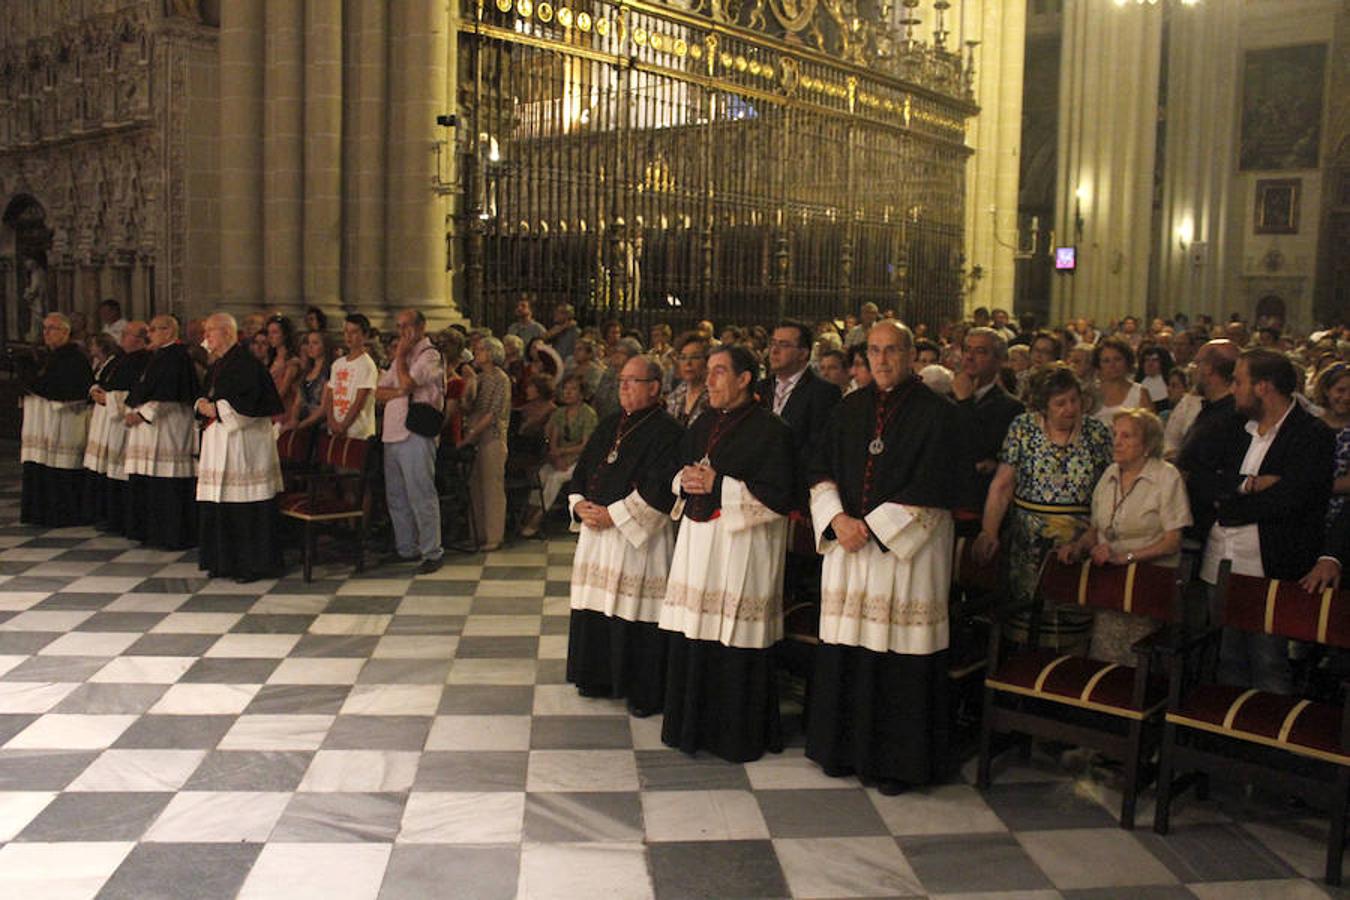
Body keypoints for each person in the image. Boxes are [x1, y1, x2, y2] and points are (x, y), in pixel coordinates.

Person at [806, 321, 962, 793]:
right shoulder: (848, 408)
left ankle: (897, 764)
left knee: (897, 658)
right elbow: (818, 467)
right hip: (850, 551)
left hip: (906, 557)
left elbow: (937, 484)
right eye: (873, 351)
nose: (882, 359)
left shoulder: (939, 415)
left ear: (911, 354)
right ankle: (841, 751)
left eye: (892, 350)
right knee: (850, 649)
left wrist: (869, 527)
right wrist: (836, 520)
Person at [658, 344, 797, 763]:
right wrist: (683, 480)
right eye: (709, 371)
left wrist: (719, 484)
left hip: (743, 550)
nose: (710, 379)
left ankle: (735, 735)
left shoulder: (773, 430)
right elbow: (677, 473)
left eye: (720, 372)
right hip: (699, 546)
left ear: (744, 379)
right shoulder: (701, 424)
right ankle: (690, 727)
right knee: (696, 635)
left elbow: (779, 496)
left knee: (734, 638)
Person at [1200, 349, 1334, 693]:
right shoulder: (1233, 425)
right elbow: (1200, 477)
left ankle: (1268, 742)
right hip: (1221, 563)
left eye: (1239, 381)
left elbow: (1293, 499)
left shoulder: (1310, 434)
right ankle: (1227, 736)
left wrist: (1229, 507)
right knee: (1226, 658)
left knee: (1268, 663)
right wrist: (1249, 485)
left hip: (1271, 565)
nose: (1234, 389)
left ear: (1263, 387)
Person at [566, 356, 684, 715]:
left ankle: (639, 688)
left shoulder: (669, 432)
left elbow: (661, 485)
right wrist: (579, 504)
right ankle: (597, 677)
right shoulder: (608, 425)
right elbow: (583, 468)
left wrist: (613, 515)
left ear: (654, 387)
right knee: (598, 605)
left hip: (635, 539)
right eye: (622, 381)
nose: (624, 387)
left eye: (633, 381)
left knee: (634, 611)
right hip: (597, 534)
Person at [974, 364, 1114, 613]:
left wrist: (1091, 536)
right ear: (1043, 406)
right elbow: (1003, 485)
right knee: (1024, 612)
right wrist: (989, 531)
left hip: (1078, 542)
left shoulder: (1097, 433)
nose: (1070, 408)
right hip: (1028, 542)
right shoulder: (1023, 428)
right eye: (1060, 403)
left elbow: (1109, 490)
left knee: (1069, 612)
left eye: (1074, 400)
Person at [1056, 410, 1192, 664]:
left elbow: (1172, 541)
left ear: (1148, 444)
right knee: (1104, 660)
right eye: (1115, 434)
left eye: (1126, 436)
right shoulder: (1109, 474)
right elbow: (1096, 530)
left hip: (1148, 588)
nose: (1117, 442)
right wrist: (1078, 547)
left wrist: (1125, 557)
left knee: (1137, 663)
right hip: (1110, 585)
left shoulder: (1166, 477)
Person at [195, 313, 285, 583]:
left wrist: (214, 408)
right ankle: (224, 562)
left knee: (244, 507)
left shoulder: (246, 364)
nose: (206, 337)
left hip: (243, 448)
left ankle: (251, 566)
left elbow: (247, 408)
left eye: (210, 331)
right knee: (222, 505)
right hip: (221, 444)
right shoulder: (219, 365)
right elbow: (209, 396)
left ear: (226, 332)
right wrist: (203, 405)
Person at [376, 309, 446, 572]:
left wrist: (401, 361)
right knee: (397, 495)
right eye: (399, 326)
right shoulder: (401, 358)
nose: (402, 331)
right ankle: (406, 547)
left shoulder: (430, 356)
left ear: (421, 326)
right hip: (392, 432)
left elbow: (407, 383)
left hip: (416, 432)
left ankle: (432, 551)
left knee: (421, 493)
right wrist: (399, 387)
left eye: (407, 326)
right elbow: (379, 392)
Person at [124, 315, 200, 549]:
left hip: (168, 430)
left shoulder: (177, 357)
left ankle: (172, 535)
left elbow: (170, 394)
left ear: (168, 332)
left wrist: (142, 414)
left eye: (154, 329)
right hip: (151, 430)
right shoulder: (157, 356)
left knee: (168, 485)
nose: (150, 334)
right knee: (151, 483)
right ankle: (152, 533)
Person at [19, 313, 94, 526]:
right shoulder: (46, 356)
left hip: (64, 420)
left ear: (65, 332)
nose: (46, 333)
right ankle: (38, 512)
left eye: (51, 328)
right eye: (44, 328)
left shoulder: (74, 358)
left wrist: (40, 388)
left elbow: (73, 389)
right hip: (42, 421)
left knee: (60, 467)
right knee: (40, 465)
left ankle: (63, 514)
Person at [952, 327, 1024, 524]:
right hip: (945, 503)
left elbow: (979, 450)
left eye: (980, 352)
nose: (969, 357)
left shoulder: (1011, 408)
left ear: (999, 360)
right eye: (967, 350)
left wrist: (965, 403)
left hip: (979, 508)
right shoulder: (946, 398)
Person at [82, 320, 150, 530]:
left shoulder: (144, 360)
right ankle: (106, 516)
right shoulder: (120, 359)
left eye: (127, 334)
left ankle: (119, 520)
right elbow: (103, 381)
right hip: (106, 422)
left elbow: (136, 394)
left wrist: (108, 399)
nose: (122, 337)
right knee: (107, 471)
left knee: (119, 472)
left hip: (122, 423)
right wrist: (96, 391)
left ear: (140, 339)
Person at [1173, 340, 1241, 538]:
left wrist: (1186, 474)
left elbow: (1225, 473)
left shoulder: (1231, 415)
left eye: (1197, 363)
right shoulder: (1211, 409)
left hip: (1210, 525)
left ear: (1209, 368)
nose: (1193, 370)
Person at [757, 320, 841, 476]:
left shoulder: (824, 393)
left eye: (784, 345)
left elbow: (818, 448)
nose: (774, 351)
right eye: (773, 343)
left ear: (803, 353)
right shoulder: (759, 389)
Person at [528, 375, 599, 536]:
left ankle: (537, 518)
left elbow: (586, 445)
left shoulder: (588, 414)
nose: (568, 393)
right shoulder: (559, 413)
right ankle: (530, 512)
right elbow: (553, 440)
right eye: (565, 389)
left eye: (573, 389)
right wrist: (556, 456)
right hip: (559, 457)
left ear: (581, 393)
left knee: (556, 478)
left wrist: (564, 454)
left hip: (580, 459)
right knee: (542, 474)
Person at [460, 335, 510, 550]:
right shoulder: (479, 377)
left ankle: (493, 536)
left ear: (491, 353)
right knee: (476, 486)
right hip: (475, 434)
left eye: (480, 349)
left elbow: (493, 412)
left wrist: (471, 434)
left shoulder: (501, 378)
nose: (476, 352)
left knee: (492, 486)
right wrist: (469, 383)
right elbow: (468, 405)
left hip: (491, 436)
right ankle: (477, 533)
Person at [326, 315, 378, 440]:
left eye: (354, 332)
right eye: (346, 332)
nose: (348, 336)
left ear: (364, 335)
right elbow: (329, 395)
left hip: (357, 431)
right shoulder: (338, 364)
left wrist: (343, 426)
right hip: (335, 427)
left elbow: (360, 400)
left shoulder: (367, 364)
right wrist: (332, 422)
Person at [1315, 363, 1350, 530]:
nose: (1347, 397)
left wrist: (1310, 487)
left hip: (1342, 516)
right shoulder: (1309, 425)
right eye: (1340, 390)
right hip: (1305, 512)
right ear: (1327, 391)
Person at [1091, 336, 1152, 425]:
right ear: (1099, 365)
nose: (1112, 365)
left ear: (1127, 361)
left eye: (1117, 359)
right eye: (1106, 361)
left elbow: (1151, 431)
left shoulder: (1140, 393)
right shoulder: (1090, 393)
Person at [286, 330, 332, 434]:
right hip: (302, 423)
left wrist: (302, 425)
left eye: (315, 343)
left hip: (319, 426)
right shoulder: (307, 372)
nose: (310, 347)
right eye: (308, 343)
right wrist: (294, 419)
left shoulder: (329, 372)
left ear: (325, 346)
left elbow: (323, 408)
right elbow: (297, 403)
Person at [666, 332, 711, 427]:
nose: (688, 363)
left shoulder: (714, 396)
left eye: (695, 357)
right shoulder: (675, 396)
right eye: (683, 358)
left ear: (707, 362)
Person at [265, 315, 303, 425]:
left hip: (282, 412)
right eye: (269, 333)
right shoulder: (272, 360)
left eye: (275, 332)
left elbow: (282, 391)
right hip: (270, 411)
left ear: (285, 335)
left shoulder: (292, 362)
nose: (270, 336)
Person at [1137, 345, 1174, 412]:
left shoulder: (1170, 382)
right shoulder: (1138, 383)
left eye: (1155, 360)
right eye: (1147, 360)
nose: (1150, 364)